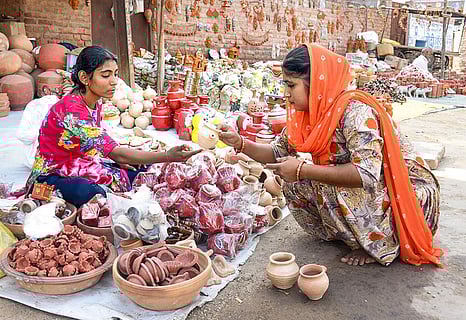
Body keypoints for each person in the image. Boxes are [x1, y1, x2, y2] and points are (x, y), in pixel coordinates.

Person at [218, 44, 443, 267]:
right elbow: (277, 152)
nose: (286, 94)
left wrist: (301, 169)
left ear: (316, 83)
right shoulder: (308, 113)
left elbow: (366, 174)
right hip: (372, 187)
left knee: (325, 182)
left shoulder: (355, 111)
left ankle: (379, 243)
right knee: (298, 183)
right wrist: (240, 143)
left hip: (404, 191)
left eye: (291, 85)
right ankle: (349, 234)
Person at [25, 46, 200, 207]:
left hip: (82, 162)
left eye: (115, 74)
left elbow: (101, 146)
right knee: (90, 193)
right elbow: (116, 152)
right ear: (85, 78)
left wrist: (120, 160)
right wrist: (168, 156)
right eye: (106, 75)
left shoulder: (94, 101)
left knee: (140, 170)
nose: (114, 81)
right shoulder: (73, 111)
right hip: (52, 173)